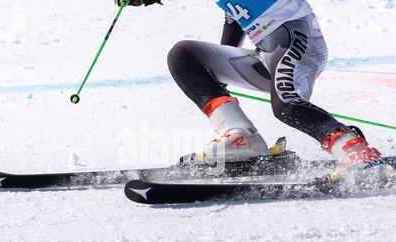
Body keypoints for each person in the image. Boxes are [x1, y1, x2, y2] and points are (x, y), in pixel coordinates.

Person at [115, 0, 385, 176]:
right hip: (266, 53)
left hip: (296, 41)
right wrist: (217, 70)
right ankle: (241, 138)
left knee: (286, 106)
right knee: (183, 55)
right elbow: (233, 17)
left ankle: (353, 149)